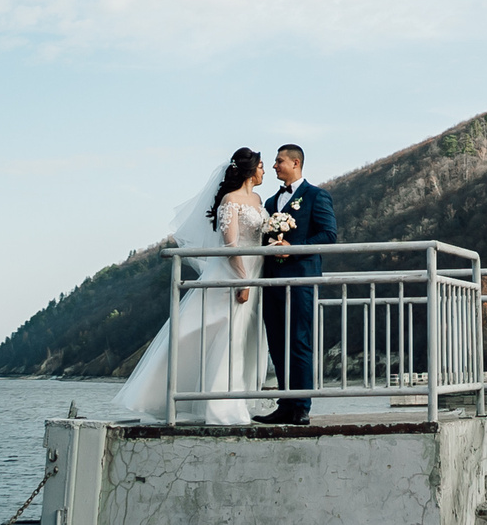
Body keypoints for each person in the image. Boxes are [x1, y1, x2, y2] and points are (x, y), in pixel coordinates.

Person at [111, 147, 270, 424]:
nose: (264, 171)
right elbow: (230, 245)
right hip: (235, 273)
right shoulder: (230, 200)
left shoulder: (257, 199)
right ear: (249, 170)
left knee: (245, 336)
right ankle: (220, 407)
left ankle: (237, 399)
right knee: (225, 335)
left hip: (257, 271)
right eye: (261, 166)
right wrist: (243, 279)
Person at [257, 143, 338, 424]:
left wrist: (294, 247)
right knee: (277, 343)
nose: (274, 166)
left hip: (301, 279)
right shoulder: (270, 203)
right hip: (271, 281)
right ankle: (285, 404)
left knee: (299, 341)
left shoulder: (316, 196)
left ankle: (302, 406)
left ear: (296, 163)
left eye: (279, 161)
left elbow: (328, 235)